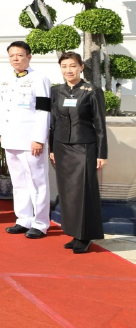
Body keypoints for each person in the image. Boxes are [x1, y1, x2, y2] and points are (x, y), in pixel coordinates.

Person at [49, 52, 107, 254]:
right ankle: (74, 233)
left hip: (84, 147)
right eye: (64, 66)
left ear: (81, 67)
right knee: (68, 193)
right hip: (61, 147)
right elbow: (53, 122)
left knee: (84, 192)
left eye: (73, 66)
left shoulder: (92, 91)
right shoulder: (56, 91)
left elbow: (100, 125)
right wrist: (51, 148)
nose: (68, 70)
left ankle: (86, 235)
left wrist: (102, 154)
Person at [0, 41, 51, 239]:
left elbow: (44, 111)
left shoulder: (39, 79)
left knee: (37, 183)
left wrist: (39, 138)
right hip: (11, 139)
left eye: (20, 55)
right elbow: (2, 110)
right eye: (12, 55)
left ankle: (41, 223)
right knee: (19, 182)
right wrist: (2, 134)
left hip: (31, 141)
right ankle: (23, 219)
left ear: (29, 57)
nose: (15, 59)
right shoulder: (6, 80)